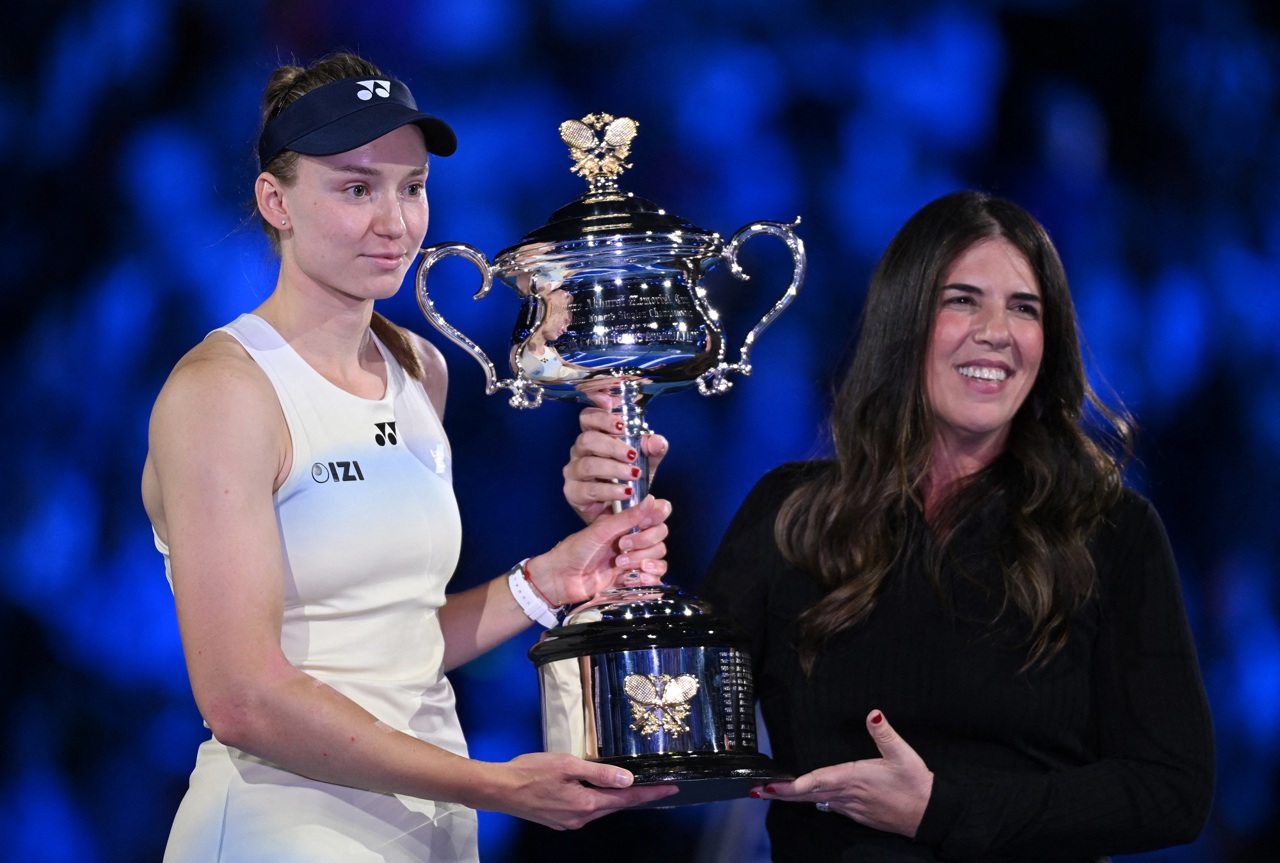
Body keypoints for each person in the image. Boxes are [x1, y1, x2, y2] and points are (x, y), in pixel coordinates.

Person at [563, 190, 1215, 861]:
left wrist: (942, 809)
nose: (996, 330)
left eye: (1024, 307)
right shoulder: (791, 516)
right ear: (904, 321)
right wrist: (614, 555)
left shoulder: (1109, 531)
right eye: (961, 299)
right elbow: (662, 743)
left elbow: (1172, 789)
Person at [141, 52, 676, 863]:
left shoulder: (420, 369)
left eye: (412, 186)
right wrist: (493, 785)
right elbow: (243, 698)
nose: (394, 221)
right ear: (275, 200)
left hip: (428, 831)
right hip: (281, 832)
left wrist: (549, 581)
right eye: (357, 188)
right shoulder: (223, 391)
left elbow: (395, 639)